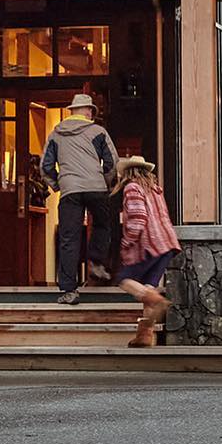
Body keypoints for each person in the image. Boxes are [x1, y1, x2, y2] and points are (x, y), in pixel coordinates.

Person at [41, 93, 118, 305]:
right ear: (88, 111)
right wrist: (106, 183)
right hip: (96, 187)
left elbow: (45, 167)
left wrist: (59, 184)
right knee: (103, 225)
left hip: (69, 191)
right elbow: (112, 162)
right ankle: (96, 261)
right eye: (91, 111)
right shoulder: (98, 131)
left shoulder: (55, 134)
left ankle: (69, 290)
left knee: (68, 239)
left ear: (72, 111)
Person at [113, 156, 182, 348]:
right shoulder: (155, 189)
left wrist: (127, 242)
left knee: (124, 280)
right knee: (148, 286)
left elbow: (138, 218)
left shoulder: (132, 188)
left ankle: (157, 301)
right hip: (165, 244)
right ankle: (144, 336)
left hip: (148, 245)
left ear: (127, 172)